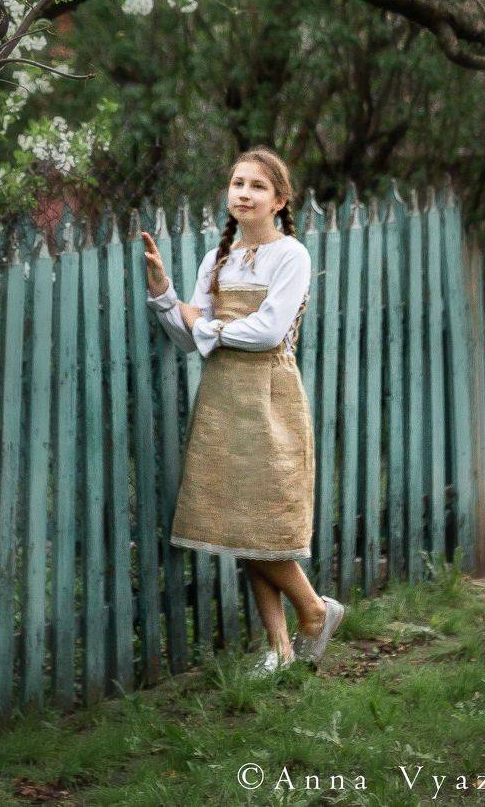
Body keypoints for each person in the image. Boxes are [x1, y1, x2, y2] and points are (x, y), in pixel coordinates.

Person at [141, 146, 345, 673]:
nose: (244, 194)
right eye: (237, 183)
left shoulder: (291, 255)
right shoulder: (217, 260)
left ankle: (315, 612)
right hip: (221, 402)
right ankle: (279, 651)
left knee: (264, 522)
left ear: (279, 200)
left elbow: (267, 332)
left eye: (257, 186)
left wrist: (202, 324)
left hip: (270, 397)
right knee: (239, 523)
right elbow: (188, 341)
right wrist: (166, 296)